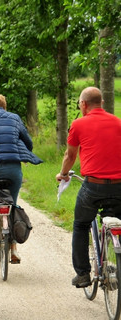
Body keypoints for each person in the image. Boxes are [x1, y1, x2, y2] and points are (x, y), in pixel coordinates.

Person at [56, 86, 121, 288]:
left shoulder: (78, 124)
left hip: (94, 186)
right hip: (119, 186)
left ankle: (83, 274)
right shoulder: (118, 122)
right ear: (101, 102)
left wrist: (64, 174)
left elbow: (70, 156)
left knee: (81, 225)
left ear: (83, 104)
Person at [0, 94, 42, 263]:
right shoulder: (15, 118)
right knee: (12, 204)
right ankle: (13, 247)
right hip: (13, 170)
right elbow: (28, 142)